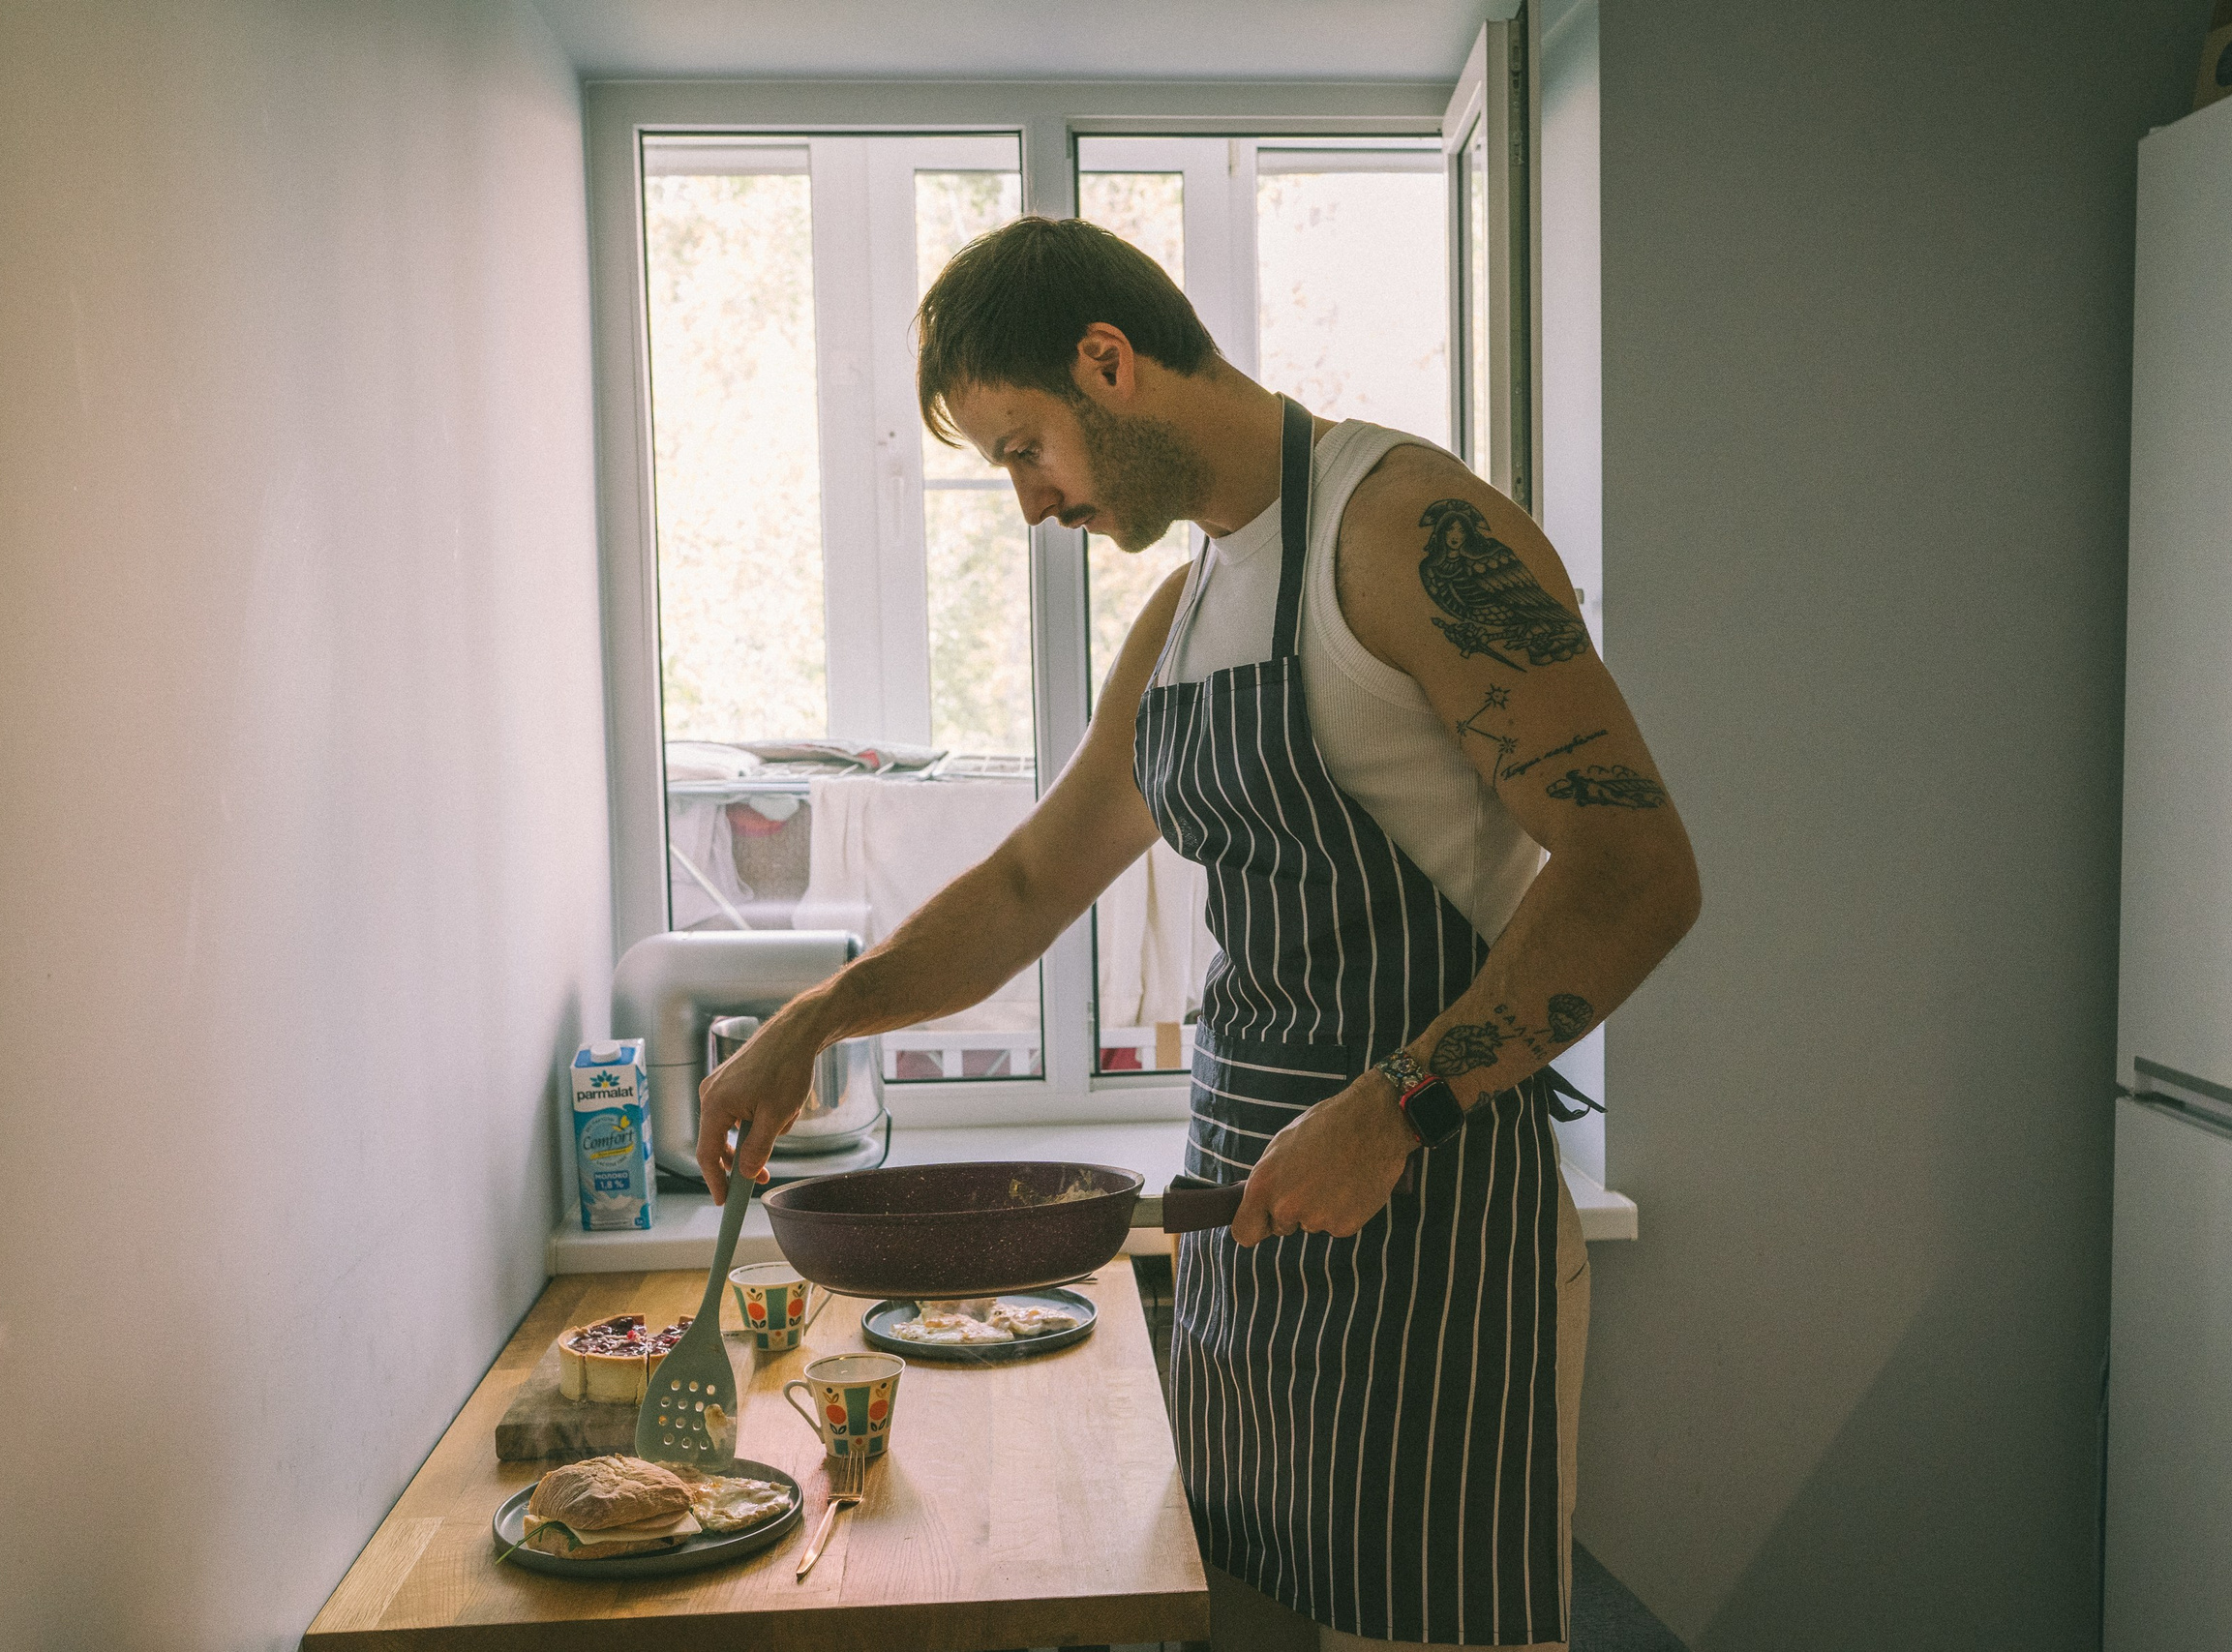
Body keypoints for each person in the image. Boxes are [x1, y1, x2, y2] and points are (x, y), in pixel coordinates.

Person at [696, 215, 1700, 1650]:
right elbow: (1037, 881)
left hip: (1435, 1233)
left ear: (1109, 363)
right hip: (1251, 1231)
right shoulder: (1186, 609)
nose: (1032, 507)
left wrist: (1398, 1105)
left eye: (1023, 450)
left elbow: (1640, 871)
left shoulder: (1410, 527)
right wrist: (815, 1018)